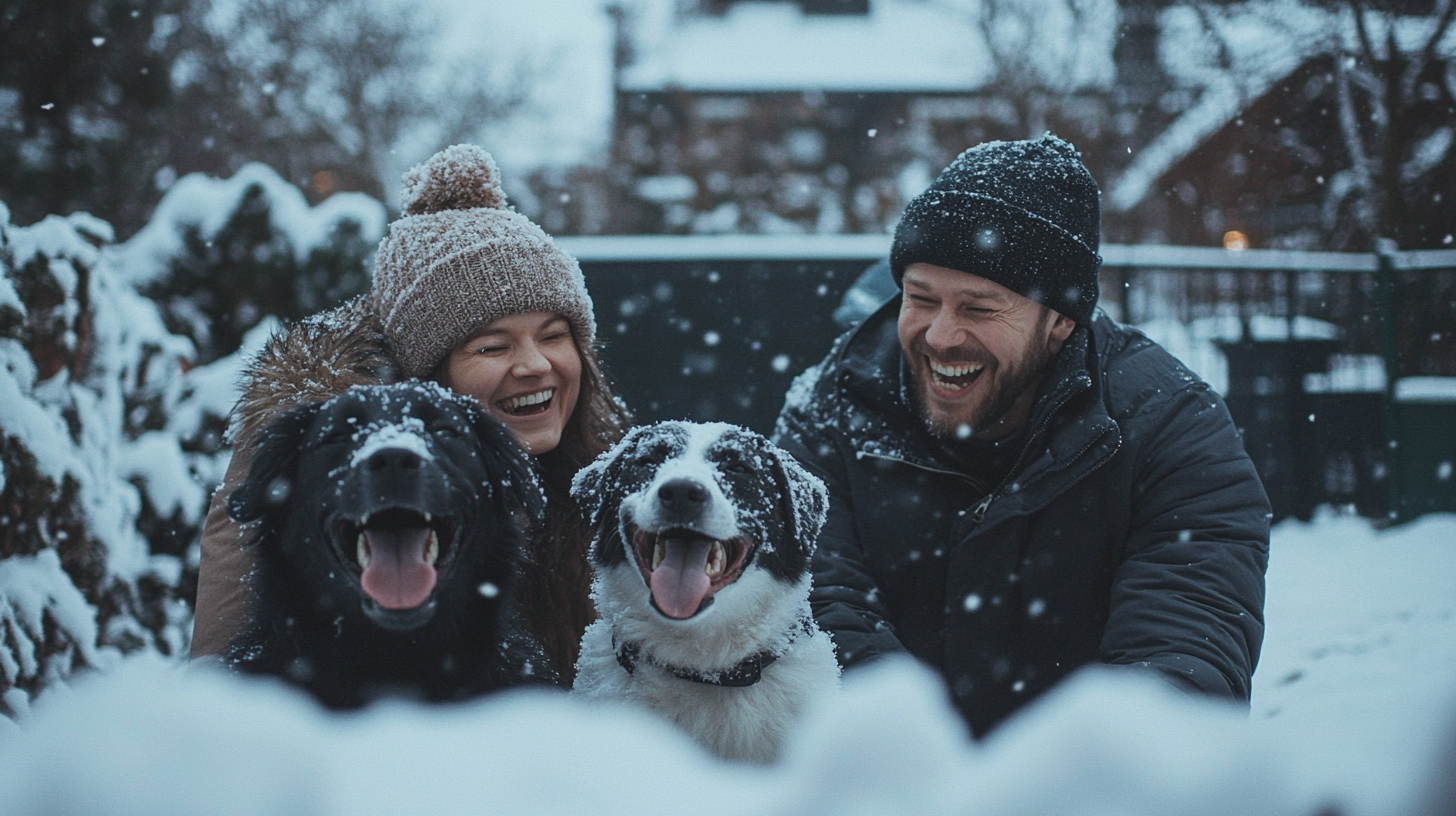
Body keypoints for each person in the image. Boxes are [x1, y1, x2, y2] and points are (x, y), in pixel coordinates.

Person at [773, 134, 1269, 737]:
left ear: (1061, 321)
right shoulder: (834, 403)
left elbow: (1184, 657)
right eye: (920, 298)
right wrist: (913, 757)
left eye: (979, 309)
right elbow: (810, 606)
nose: (939, 335)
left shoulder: (1172, 430)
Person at [191, 144, 630, 681]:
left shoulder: (607, 472)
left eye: (555, 336)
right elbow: (224, 685)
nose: (535, 365)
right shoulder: (308, 478)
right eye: (492, 347)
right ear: (424, 378)